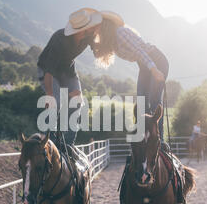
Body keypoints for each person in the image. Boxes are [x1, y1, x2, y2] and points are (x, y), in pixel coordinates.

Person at [89, 10, 169, 147]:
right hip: (144, 66)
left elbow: (140, 51)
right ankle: (143, 138)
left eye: (98, 26)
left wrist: (155, 70)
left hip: (155, 61)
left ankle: (159, 141)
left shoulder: (120, 33)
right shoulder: (112, 42)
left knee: (154, 101)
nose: (96, 30)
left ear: (105, 25)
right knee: (142, 103)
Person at [37, 8, 103, 146]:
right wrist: (49, 95)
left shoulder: (88, 35)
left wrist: (105, 42)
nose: (89, 31)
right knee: (55, 102)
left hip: (67, 70)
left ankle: (67, 145)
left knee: (78, 101)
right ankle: (50, 143)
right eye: (87, 29)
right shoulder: (59, 40)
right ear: (79, 30)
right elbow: (49, 72)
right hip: (48, 70)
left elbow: (97, 49)